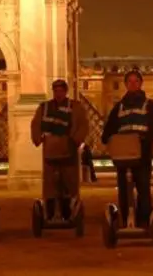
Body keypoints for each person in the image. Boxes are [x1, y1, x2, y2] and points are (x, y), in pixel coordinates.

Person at [101, 70, 153, 228]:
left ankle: (143, 221)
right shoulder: (118, 108)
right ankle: (126, 220)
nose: (133, 84)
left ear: (141, 83)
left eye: (136, 81)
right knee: (123, 191)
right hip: (123, 156)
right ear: (126, 84)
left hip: (142, 154)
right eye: (130, 81)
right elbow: (109, 128)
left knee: (143, 189)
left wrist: (147, 139)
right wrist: (106, 138)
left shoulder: (150, 106)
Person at [31, 79, 88, 221]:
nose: (58, 94)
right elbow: (36, 124)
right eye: (56, 91)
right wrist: (38, 138)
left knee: (68, 180)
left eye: (61, 91)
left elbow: (83, 125)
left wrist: (75, 140)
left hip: (68, 149)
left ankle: (68, 210)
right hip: (51, 150)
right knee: (51, 183)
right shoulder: (44, 107)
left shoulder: (76, 107)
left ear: (66, 91)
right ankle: (50, 210)